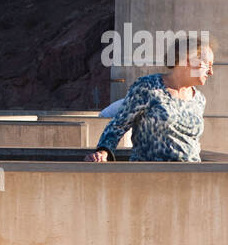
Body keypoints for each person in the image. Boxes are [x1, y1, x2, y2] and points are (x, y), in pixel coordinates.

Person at [85, 38, 214, 162]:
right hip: (150, 177)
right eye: (208, 65)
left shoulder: (199, 99)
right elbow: (118, 125)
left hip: (189, 178)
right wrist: (103, 151)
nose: (211, 72)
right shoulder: (148, 87)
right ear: (188, 61)